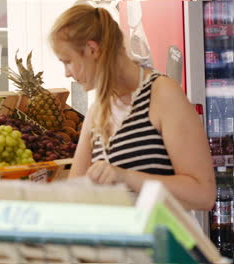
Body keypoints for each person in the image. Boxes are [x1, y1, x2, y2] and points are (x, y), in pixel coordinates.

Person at [49, 3, 215, 211]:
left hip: (162, 242)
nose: (67, 73)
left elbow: (203, 195)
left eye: (68, 61)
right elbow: (74, 196)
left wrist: (125, 177)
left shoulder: (162, 94)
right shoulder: (97, 112)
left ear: (92, 49)